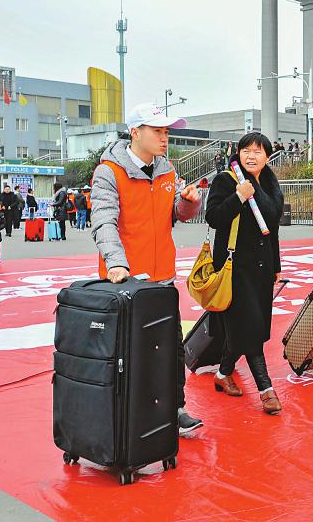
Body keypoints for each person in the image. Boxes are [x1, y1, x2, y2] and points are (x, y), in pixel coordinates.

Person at [91, 102, 204, 434]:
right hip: (125, 282)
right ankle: (124, 417)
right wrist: (116, 263)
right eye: (157, 131)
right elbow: (103, 221)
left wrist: (187, 202)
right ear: (135, 132)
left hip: (163, 278)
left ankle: (175, 409)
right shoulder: (109, 171)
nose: (164, 137)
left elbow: (175, 215)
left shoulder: (167, 169)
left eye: (167, 131)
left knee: (171, 350)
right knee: (127, 355)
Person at [206, 132, 285, 414]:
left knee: (251, 326)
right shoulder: (227, 179)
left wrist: (276, 266)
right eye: (246, 150)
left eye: (258, 151)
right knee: (250, 328)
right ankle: (266, 389)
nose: (251, 156)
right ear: (238, 152)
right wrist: (238, 197)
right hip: (234, 267)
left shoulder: (271, 183)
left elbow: (272, 229)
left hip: (262, 269)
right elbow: (213, 218)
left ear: (267, 156)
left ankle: (223, 373)